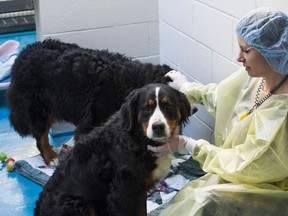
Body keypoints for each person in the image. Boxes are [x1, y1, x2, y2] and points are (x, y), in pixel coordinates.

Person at [148, 7, 288, 216]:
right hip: (237, 166)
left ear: (272, 53)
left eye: (246, 50)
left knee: (203, 201)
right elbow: (225, 97)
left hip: (269, 186)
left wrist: (189, 145)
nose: (238, 57)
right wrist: (187, 88)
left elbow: (247, 165)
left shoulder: (282, 115)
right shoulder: (262, 77)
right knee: (191, 193)